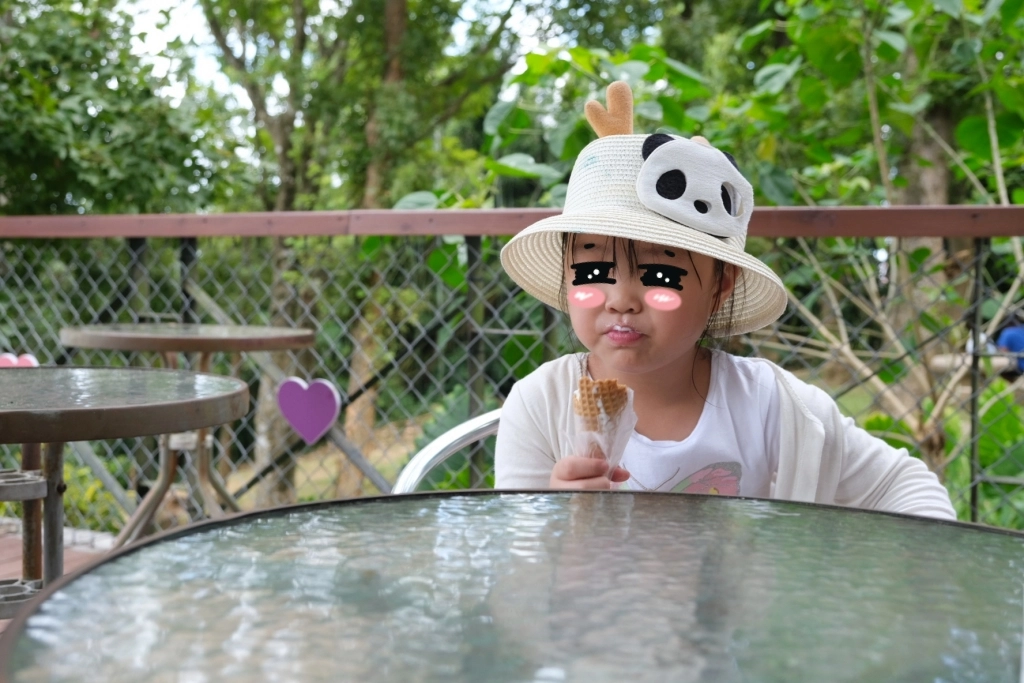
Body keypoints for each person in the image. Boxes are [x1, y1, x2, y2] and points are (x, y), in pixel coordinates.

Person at [494, 82, 955, 521]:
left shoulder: (768, 405)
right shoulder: (541, 404)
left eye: (659, 275)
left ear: (720, 286)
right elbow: (515, 562)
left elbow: (903, 484)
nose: (621, 300)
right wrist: (550, 515)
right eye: (594, 273)